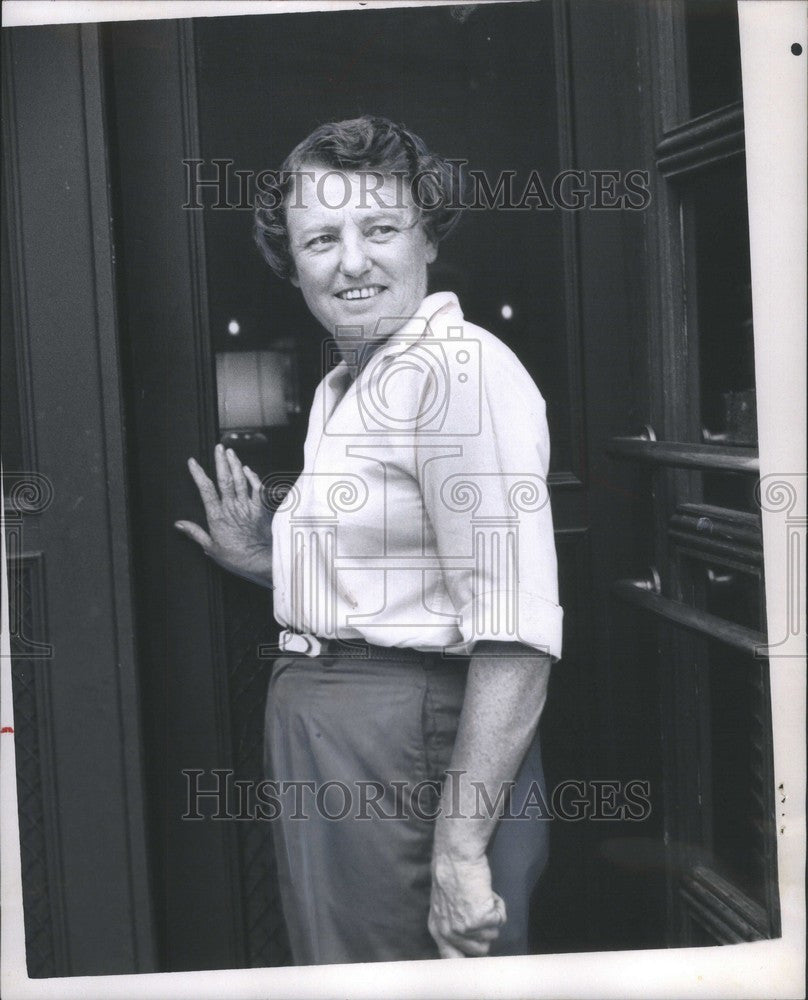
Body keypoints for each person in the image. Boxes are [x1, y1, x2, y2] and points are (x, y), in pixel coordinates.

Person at [175, 116, 563, 965]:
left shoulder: (457, 372)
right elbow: (393, 581)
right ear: (294, 261)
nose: (351, 261)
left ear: (428, 235)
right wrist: (268, 564)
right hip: (342, 740)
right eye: (321, 237)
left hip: (406, 744)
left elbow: (516, 634)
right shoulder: (353, 380)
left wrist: (460, 853)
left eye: (379, 228)